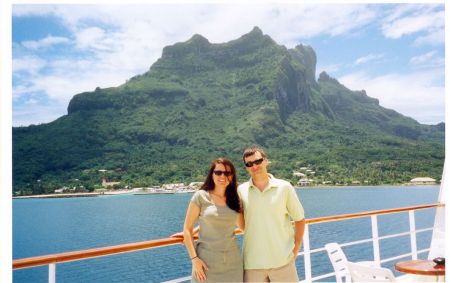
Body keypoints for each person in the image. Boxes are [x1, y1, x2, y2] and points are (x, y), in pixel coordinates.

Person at [238, 146, 305, 282]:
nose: (254, 166)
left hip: (283, 262)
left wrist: (296, 247)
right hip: (252, 264)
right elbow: (243, 226)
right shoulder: (241, 190)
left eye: (258, 161)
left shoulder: (284, 187)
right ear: (246, 167)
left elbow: (299, 219)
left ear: (266, 161)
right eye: (249, 164)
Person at [183, 158, 244, 282]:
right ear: (212, 174)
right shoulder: (201, 196)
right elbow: (186, 229)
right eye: (218, 172)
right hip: (205, 263)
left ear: (232, 176)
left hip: (233, 262)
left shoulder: (236, 199)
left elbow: (243, 227)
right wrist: (194, 259)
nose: (223, 176)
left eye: (227, 173)